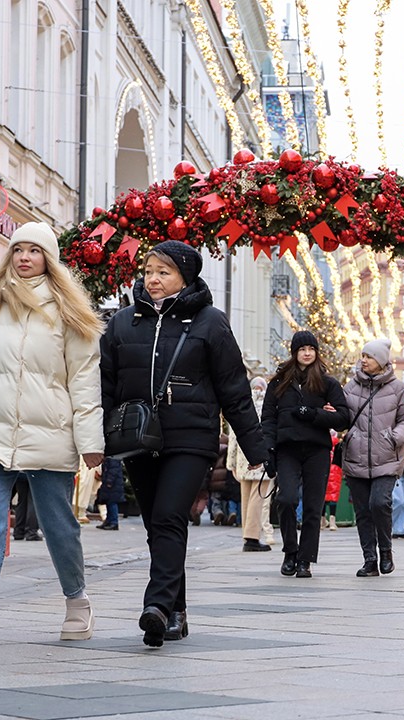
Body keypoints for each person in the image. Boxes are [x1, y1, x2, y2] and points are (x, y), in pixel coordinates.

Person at [0, 221, 103, 650]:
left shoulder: (68, 312)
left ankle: (77, 601)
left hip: (49, 434)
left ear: (49, 259)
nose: (25, 257)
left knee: (58, 526)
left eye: (34, 251)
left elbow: (84, 382)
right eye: (18, 250)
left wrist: (90, 442)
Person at [100, 240, 267, 647]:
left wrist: (257, 448)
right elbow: (104, 386)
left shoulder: (210, 322)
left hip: (191, 437)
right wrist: (95, 438)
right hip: (137, 437)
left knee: (171, 515)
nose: (153, 279)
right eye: (149, 271)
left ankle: (156, 605)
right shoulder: (124, 323)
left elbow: (234, 390)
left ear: (185, 277)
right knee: (158, 523)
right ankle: (176, 610)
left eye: (164, 272)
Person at [261, 330, 349, 578]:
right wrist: (268, 450)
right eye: (302, 349)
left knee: (313, 506)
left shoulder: (327, 382)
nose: (307, 353)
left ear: (316, 352)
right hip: (287, 449)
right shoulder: (278, 383)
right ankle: (290, 551)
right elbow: (267, 418)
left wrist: (314, 414)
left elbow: (343, 418)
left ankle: (305, 559)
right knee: (286, 499)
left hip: (317, 450)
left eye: (311, 348)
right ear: (294, 353)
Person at [341, 339, 404, 577]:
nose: (363, 360)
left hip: (387, 457)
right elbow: (342, 416)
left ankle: (386, 550)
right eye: (362, 355)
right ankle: (369, 560)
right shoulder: (350, 387)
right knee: (362, 510)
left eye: (369, 356)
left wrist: (394, 437)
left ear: (381, 361)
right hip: (356, 457)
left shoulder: (398, 388)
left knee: (379, 503)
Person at [227, 377, 272, 552]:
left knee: (246, 498)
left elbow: (233, 436)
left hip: (242, 458)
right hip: (260, 457)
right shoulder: (267, 406)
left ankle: (247, 534)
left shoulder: (242, 405)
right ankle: (252, 537)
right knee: (258, 497)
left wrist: (231, 464)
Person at [95, 457, 124, 530]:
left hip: (113, 484)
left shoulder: (113, 458)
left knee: (112, 503)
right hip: (112, 483)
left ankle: (114, 522)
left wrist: (109, 481)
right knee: (109, 502)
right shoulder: (112, 457)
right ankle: (109, 521)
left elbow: (113, 470)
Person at [323, 433, 342, 531]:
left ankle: (321, 521)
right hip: (336, 471)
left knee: (322, 496)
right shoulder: (338, 444)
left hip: (323, 470)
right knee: (333, 498)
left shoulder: (324, 442)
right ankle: (332, 522)